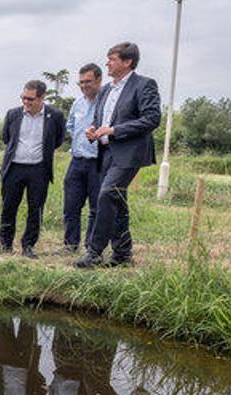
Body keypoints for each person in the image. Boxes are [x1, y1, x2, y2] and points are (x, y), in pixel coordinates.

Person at [76, 42, 162, 269]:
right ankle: (123, 254)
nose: (107, 63)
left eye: (112, 59)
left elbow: (152, 119)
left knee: (106, 195)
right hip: (105, 152)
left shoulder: (144, 85)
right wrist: (93, 130)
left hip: (129, 153)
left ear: (127, 62)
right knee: (117, 202)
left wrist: (114, 130)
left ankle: (93, 253)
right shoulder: (105, 90)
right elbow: (101, 119)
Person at [0, 80, 67, 259]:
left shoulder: (55, 116)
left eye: (30, 99)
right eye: (23, 98)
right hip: (14, 168)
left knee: (35, 209)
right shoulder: (13, 114)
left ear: (42, 98)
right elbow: (7, 138)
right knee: (8, 207)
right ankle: (5, 244)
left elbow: (58, 140)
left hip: (39, 169)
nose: (26, 102)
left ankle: (28, 245)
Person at [62, 64, 104, 254]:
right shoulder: (77, 103)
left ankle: (91, 247)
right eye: (81, 82)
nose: (84, 85)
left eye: (88, 81)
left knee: (96, 208)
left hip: (98, 162)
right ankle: (70, 245)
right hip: (77, 161)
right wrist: (80, 142)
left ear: (99, 80)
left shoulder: (106, 102)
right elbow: (70, 125)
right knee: (71, 206)